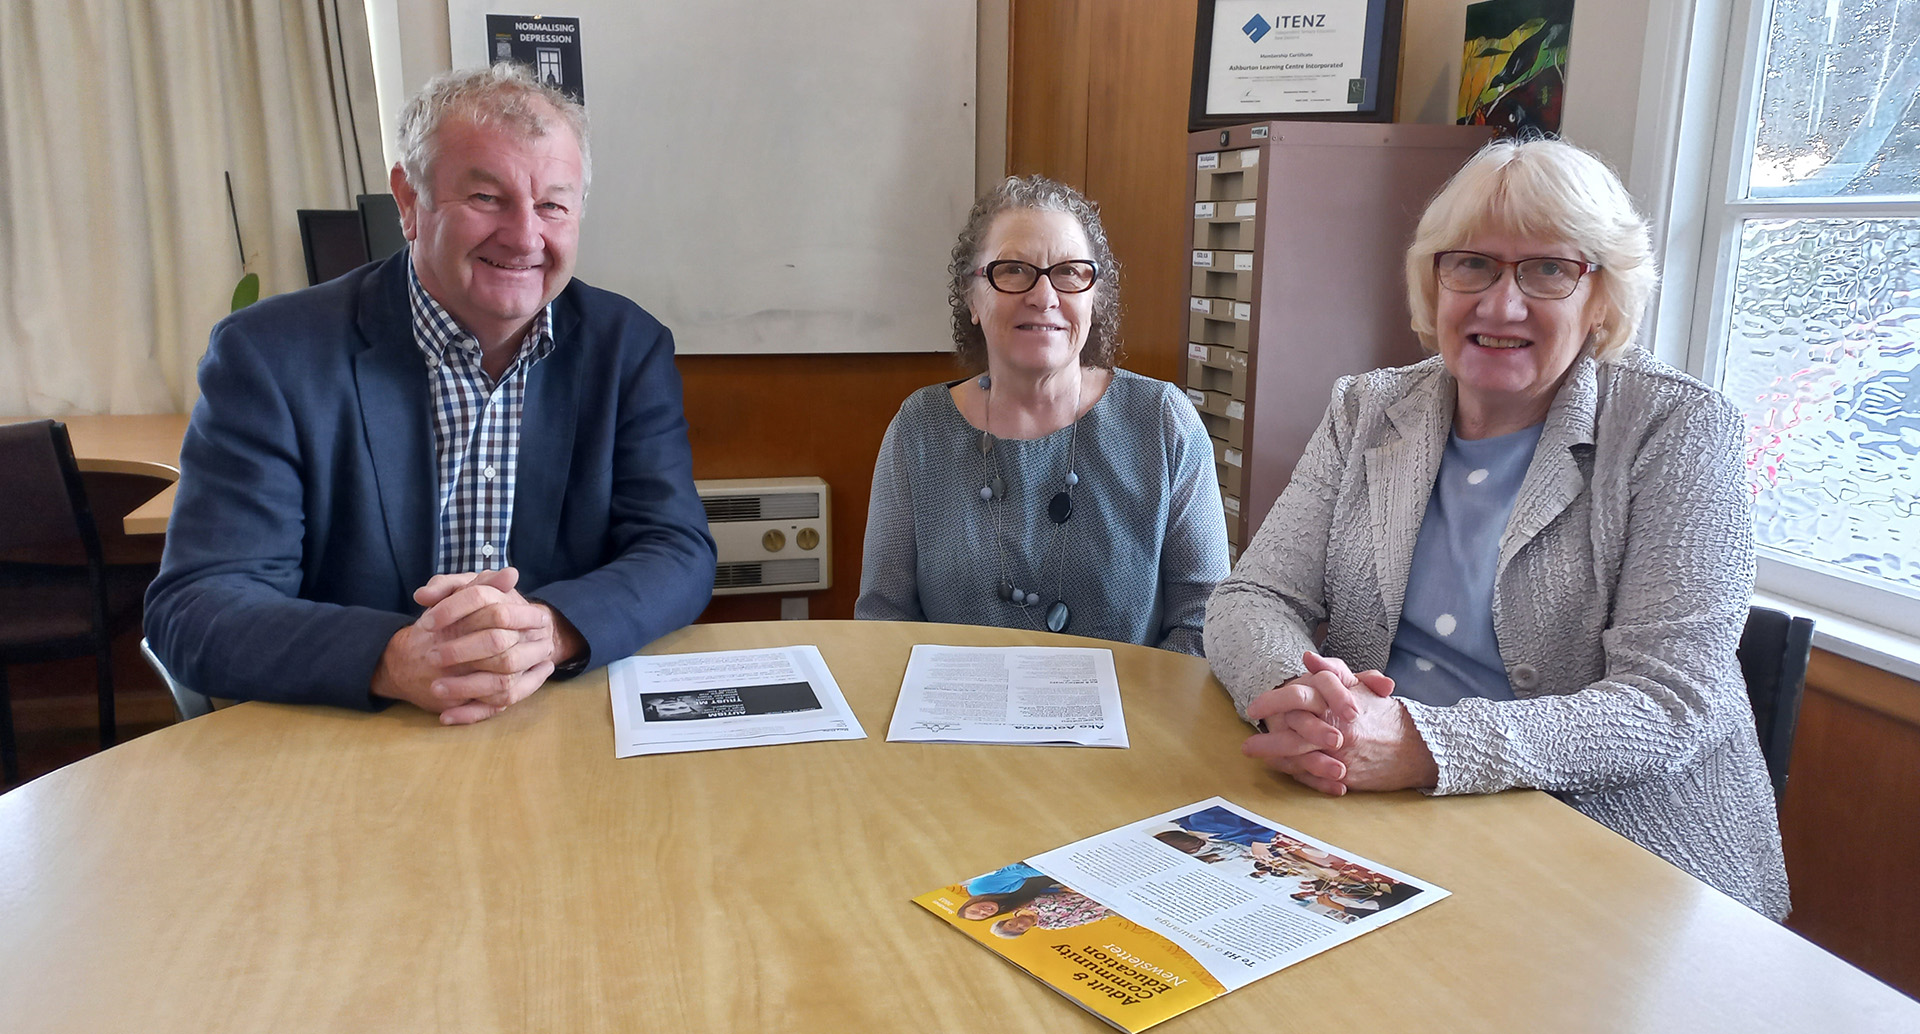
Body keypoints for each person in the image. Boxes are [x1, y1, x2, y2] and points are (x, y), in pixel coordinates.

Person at [1204, 138, 1789, 919]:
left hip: (1615, 864)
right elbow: (1252, 596)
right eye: (1470, 264)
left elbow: (1666, 705)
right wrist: (1299, 697)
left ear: (1603, 297)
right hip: (1385, 820)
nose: (1499, 304)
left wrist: (1422, 745)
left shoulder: (1676, 427)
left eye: (1548, 270)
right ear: (1432, 282)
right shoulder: (1367, 408)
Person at [145, 64, 716, 724]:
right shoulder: (271, 356)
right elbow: (198, 603)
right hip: (350, 737)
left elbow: (676, 550)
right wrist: (394, 658)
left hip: (554, 722)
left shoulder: (627, 347)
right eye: (487, 198)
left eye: (553, 205)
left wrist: (547, 630)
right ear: (409, 201)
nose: (525, 236)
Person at [856, 176, 1228, 654]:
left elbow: (1203, 622)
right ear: (973, 297)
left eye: (1070, 272)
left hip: (1133, 723)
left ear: (1095, 296)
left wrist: (1139, 723)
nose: (1044, 296)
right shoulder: (920, 429)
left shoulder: (1161, 422)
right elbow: (884, 619)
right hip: (955, 722)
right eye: (1013, 270)